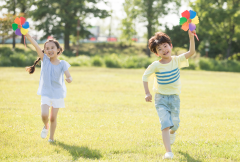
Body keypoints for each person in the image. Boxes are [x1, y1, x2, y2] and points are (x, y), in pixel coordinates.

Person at [142, 30, 196, 159]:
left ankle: (172, 132)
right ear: (156, 53)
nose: (164, 50)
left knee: (175, 124)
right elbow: (145, 77)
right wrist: (147, 93)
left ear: (170, 46)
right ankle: (168, 151)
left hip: (175, 98)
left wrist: (191, 37)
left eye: (165, 46)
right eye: (159, 49)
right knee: (165, 123)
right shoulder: (155, 65)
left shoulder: (177, 60)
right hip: (161, 99)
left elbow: (191, 52)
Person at [25, 33, 72, 142]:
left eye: (52, 48)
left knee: (53, 118)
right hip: (46, 92)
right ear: (44, 51)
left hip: (57, 94)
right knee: (44, 114)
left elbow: (69, 75)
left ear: (58, 49)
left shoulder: (62, 63)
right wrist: (28, 36)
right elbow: (36, 46)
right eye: (47, 48)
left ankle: (51, 138)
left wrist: (69, 79)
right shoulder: (44, 60)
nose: (50, 50)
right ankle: (46, 126)